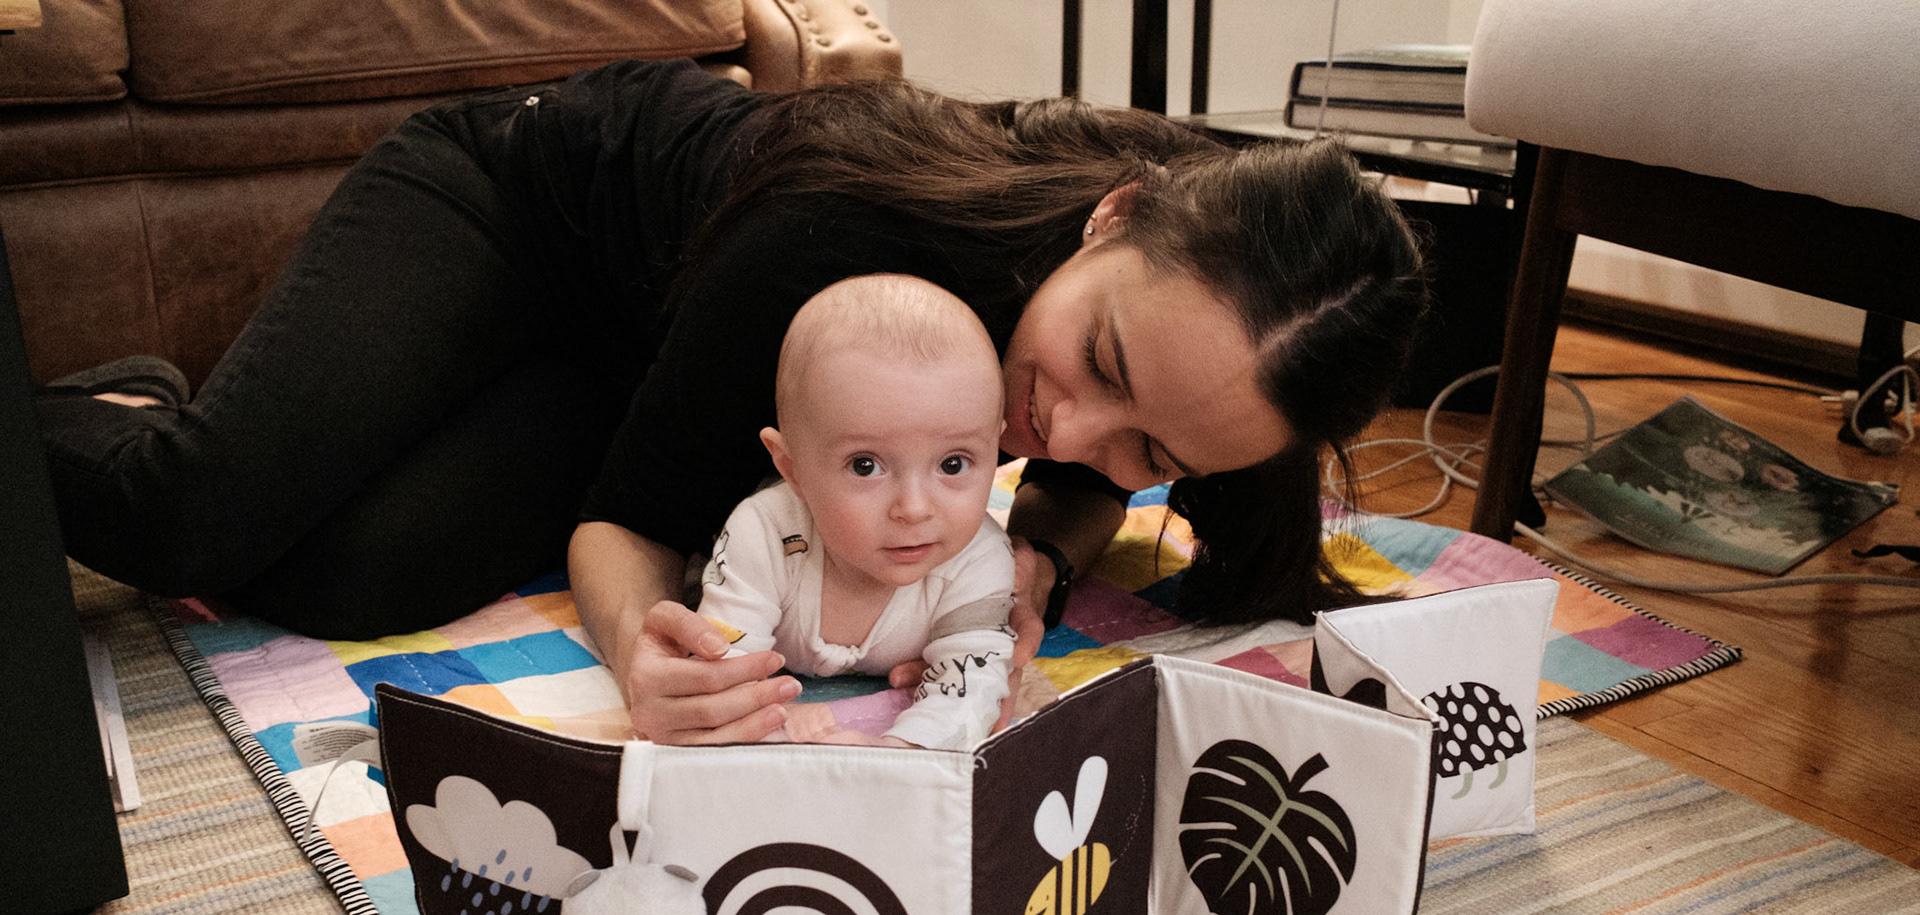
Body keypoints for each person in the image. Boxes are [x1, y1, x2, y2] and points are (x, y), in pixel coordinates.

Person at [35, 58, 1426, 748]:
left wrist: (1040, 566)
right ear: (1111, 216)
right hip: (517, 209)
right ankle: (119, 407)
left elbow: (1087, 481)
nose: (1068, 436)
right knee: (197, 512)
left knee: (353, 574)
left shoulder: (1238, 370)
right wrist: (643, 656)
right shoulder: (846, 239)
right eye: (1100, 366)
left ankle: (268, 421)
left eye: (1153, 451)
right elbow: (628, 530)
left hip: (637, 360)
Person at [697, 273, 1014, 750]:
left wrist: (901, 751)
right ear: (791, 468)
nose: (914, 508)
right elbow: (721, 673)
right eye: (865, 466)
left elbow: (973, 687)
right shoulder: (766, 535)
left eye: (953, 464)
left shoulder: (979, 558)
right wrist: (775, 722)